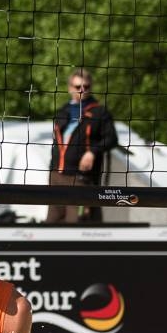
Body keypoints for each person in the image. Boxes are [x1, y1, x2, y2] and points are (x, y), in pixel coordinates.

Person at [45, 68, 118, 224]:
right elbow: (57, 144)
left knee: (77, 223)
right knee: (52, 222)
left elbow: (111, 138)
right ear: (70, 88)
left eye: (86, 86)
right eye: (78, 86)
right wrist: (52, 169)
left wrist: (92, 152)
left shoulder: (100, 112)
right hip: (57, 175)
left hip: (81, 178)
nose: (82, 90)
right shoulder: (62, 111)